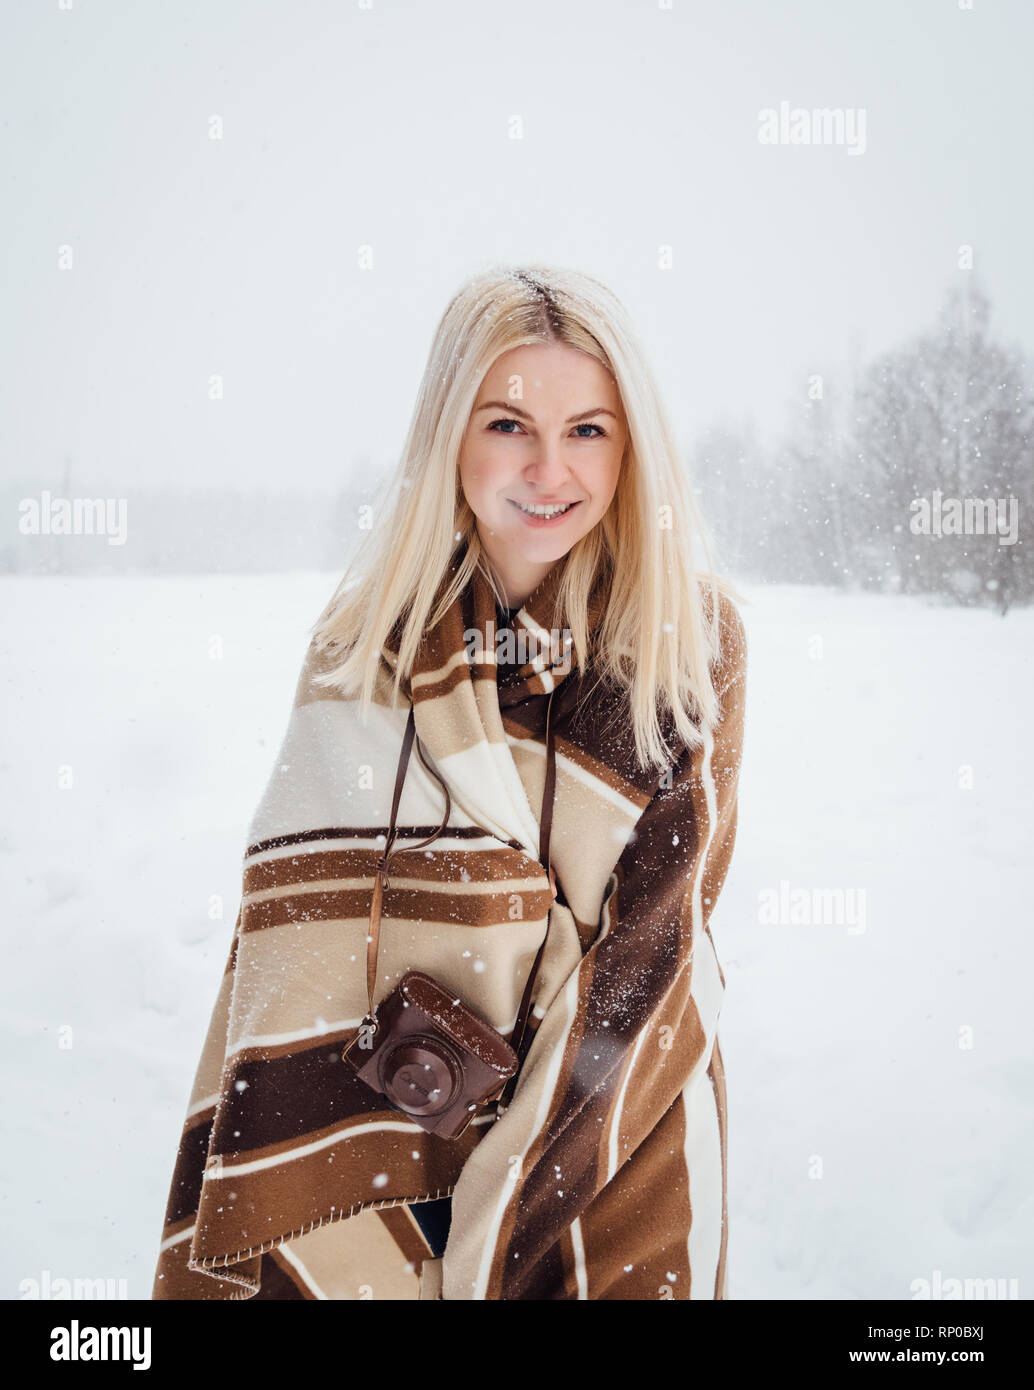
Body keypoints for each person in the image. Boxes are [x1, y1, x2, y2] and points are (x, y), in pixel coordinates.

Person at [151, 264, 747, 1301]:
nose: (548, 469)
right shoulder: (358, 645)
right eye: (508, 424)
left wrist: (510, 1181)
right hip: (370, 1144)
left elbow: (656, 945)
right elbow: (291, 937)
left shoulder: (684, 645)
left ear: (633, 445)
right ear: (447, 434)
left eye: (589, 430)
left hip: (604, 1126)